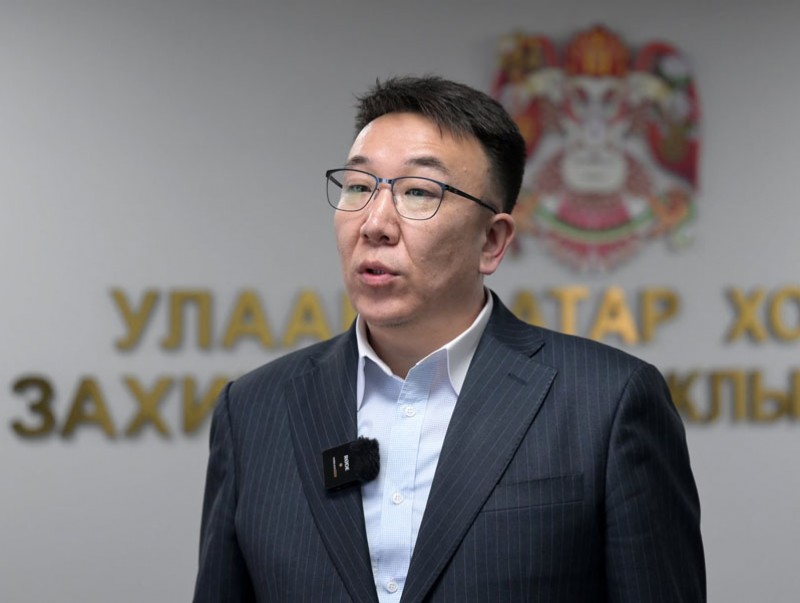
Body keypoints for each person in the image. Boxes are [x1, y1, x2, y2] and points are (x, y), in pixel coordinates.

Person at [193, 76, 705, 602]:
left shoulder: (608, 404)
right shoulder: (253, 411)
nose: (374, 223)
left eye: (418, 192)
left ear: (492, 241)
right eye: (359, 187)